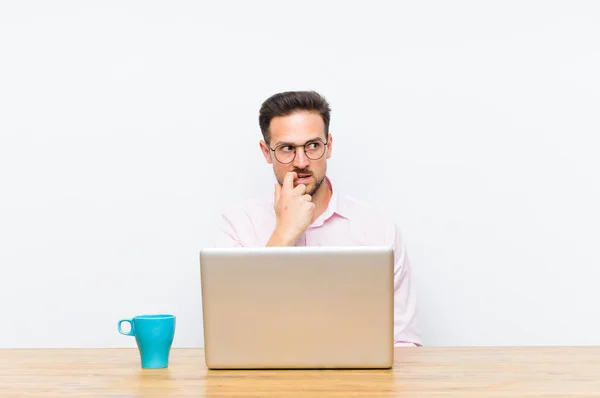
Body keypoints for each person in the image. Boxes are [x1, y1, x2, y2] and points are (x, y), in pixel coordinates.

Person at [214, 90, 422, 347]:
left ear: (329, 146)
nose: (301, 162)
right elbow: (234, 334)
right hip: (264, 383)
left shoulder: (377, 229)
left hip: (359, 384)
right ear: (266, 152)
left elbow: (404, 342)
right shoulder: (239, 225)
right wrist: (284, 234)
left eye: (313, 146)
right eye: (287, 148)